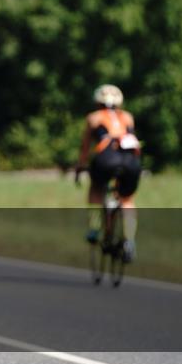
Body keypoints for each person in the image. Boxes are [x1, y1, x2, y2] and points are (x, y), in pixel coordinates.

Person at [77, 84, 142, 263]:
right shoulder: (128, 117)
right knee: (127, 199)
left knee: (96, 190)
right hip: (130, 160)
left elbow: (85, 147)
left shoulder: (94, 117)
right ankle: (129, 240)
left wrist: (80, 166)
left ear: (98, 102)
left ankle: (95, 228)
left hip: (106, 158)